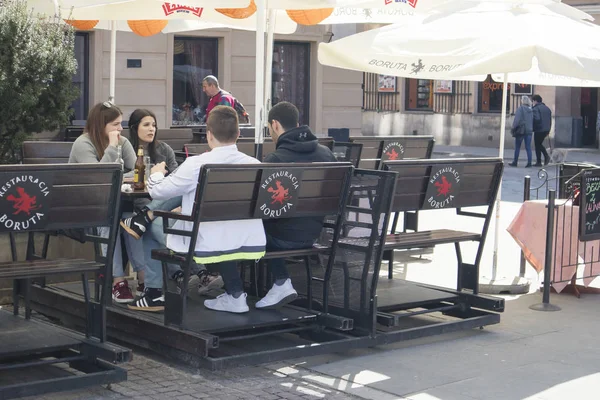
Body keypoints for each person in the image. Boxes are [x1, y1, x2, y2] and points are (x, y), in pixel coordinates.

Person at [128, 106, 266, 313]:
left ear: (209, 135)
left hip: (202, 242)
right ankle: (234, 294)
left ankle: (153, 294)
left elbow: (158, 192)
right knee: (152, 220)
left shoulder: (197, 164)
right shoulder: (255, 164)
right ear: (238, 134)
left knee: (147, 227)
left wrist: (156, 173)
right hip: (248, 240)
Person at [213, 101, 337, 312]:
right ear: (297, 123)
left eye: (269, 128)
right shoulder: (326, 154)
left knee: (229, 229)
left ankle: (244, 290)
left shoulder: (276, 158)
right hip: (315, 234)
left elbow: (258, 207)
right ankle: (278, 282)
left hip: (281, 238)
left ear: (276, 124)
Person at [68, 101, 139, 303]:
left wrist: (125, 174)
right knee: (111, 221)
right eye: (115, 124)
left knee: (132, 219)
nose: (121, 129)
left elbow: (139, 170)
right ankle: (117, 281)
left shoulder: (123, 142)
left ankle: (145, 278)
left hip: (115, 205)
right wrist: (111, 148)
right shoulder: (83, 143)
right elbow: (98, 177)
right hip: (84, 211)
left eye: (120, 124)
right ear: (102, 125)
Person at [118, 109, 183, 295]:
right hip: (136, 205)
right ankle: (178, 274)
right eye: (146, 125)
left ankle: (157, 283)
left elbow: (177, 180)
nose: (151, 129)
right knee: (149, 225)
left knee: (149, 224)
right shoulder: (126, 150)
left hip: (166, 206)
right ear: (134, 128)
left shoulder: (164, 150)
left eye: (153, 125)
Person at [509, 96, 534, 168]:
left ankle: (515, 162)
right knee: (528, 147)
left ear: (523, 101)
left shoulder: (520, 109)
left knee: (517, 147)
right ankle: (529, 162)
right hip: (529, 130)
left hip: (521, 130)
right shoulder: (531, 110)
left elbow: (517, 120)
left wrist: (513, 127)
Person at [532, 94, 552, 166]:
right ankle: (543, 159)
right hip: (546, 129)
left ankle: (541, 160)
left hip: (539, 129)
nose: (533, 103)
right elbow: (550, 120)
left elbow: (536, 119)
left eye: (533, 101)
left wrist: (533, 125)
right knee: (539, 144)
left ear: (535, 101)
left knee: (537, 145)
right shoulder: (547, 108)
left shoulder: (536, 109)